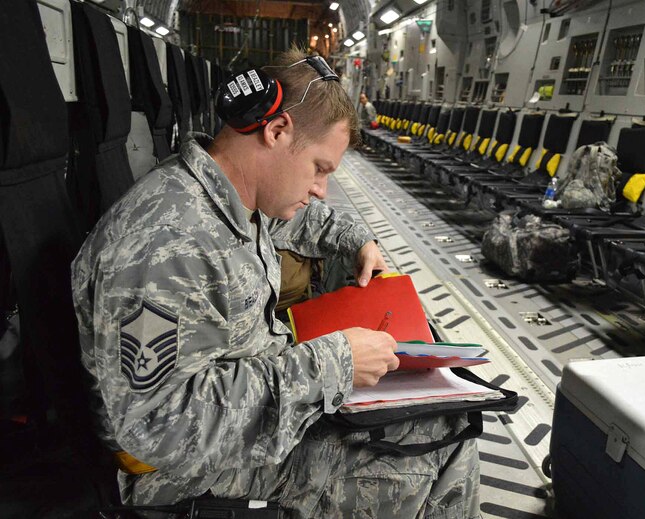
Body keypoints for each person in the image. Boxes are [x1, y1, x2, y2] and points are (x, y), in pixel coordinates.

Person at [71, 47, 480, 518]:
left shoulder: (228, 194)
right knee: (446, 441)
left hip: (250, 411)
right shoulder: (167, 244)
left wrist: (357, 240)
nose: (322, 189)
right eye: (319, 169)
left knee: (446, 418)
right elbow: (161, 427)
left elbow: (298, 223)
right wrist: (335, 363)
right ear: (277, 130)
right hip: (182, 472)